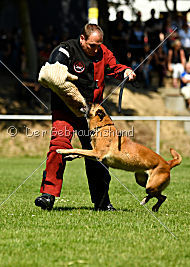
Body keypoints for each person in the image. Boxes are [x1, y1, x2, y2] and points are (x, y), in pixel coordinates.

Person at [35, 24, 136, 211]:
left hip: (92, 115)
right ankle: (48, 195)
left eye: (99, 45)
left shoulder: (103, 52)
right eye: (92, 45)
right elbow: (52, 71)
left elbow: (113, 67)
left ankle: (102, 201)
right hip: (65, 110)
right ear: (82, 38)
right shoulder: (67, 49)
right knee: (59, 146)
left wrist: (125, 71)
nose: (96, 49)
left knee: (99, 156)